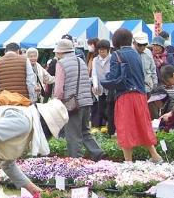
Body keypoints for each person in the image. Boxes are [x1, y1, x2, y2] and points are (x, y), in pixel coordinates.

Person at [103, 29, 162, 163]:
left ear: (116, 40)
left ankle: (128, 161)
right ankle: (155, 155)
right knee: (143, 125)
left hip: (125, 95)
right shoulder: (137, 54)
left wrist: (105, 79)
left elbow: (113, 77)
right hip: (140, 95)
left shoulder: (116, 54)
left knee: (125, 127)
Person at [54, 39, 104, 160]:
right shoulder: (81, 60)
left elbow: (59, 88)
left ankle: (76, 161)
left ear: (61, 52)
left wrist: (56, 101)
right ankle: (97, 152)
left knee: (73, 134)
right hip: (86, 100)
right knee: (85, 130)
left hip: (72, 104)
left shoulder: (61, 64)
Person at [91, 40, 111, 128]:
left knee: (110, 108)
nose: (101, 52)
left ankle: (110, 126)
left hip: (110, 88)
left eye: (103, 50)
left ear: (108, 50)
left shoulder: (112, 58)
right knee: (101, 109)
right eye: (99, 50)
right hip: (100, 88)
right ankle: (108, 123)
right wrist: (95, 85)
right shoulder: (95, 60)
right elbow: (94, 73)